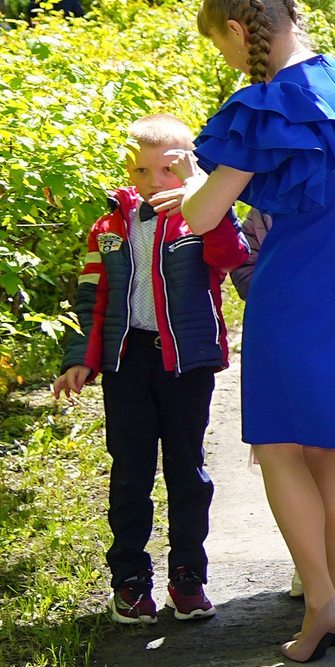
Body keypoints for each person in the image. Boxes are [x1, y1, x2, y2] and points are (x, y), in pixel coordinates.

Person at [159, 0, 335, 666]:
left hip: (294, 297)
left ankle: (321, 602)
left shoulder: (264, 105)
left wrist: (190, 188)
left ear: (241, 33)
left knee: (279, 450)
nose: (225, 59)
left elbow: (202, 215)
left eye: (221, 45)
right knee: (330, 450)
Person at [54, 115, 251, 624]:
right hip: (128, 361)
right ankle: (130, 580)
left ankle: (187, 576)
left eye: (168, 169)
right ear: (129, 170)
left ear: (190, 167)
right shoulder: (110, 225)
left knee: (188, 471)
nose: (152, 182)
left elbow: (231, 258)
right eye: (141, 171)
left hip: (185, 360)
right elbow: (90, 297)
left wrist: (203, 197)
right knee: (130, 471)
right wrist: (81, 359)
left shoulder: (202, 217)